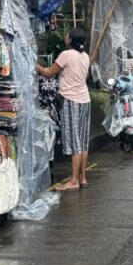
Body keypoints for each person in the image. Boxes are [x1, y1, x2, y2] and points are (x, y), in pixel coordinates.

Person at [37, 28, 91, 190]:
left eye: (67, 35)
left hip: (70, 100)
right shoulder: (85, 56)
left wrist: (36, 66)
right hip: (85, 100)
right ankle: (82, 178)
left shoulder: (66, 55)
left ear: (70, 40)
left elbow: (48, 73)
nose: (65, 36)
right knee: (82, 141)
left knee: (74, 142)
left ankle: (73, 181)